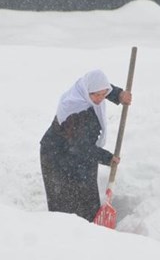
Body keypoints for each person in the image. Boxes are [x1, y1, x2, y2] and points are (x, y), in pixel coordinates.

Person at [40, 69, 132, 221]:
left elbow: (102, 87)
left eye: (104, 94)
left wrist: (119, 95)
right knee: (65, 203)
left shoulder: (88, 89)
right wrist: (108, 158)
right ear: (87, 92)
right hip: (57, 157)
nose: (100, 99)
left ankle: (90, 226)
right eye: (96, 95)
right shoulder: (74, 109)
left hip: (80, 153)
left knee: (87, 196)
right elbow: (80, 148)